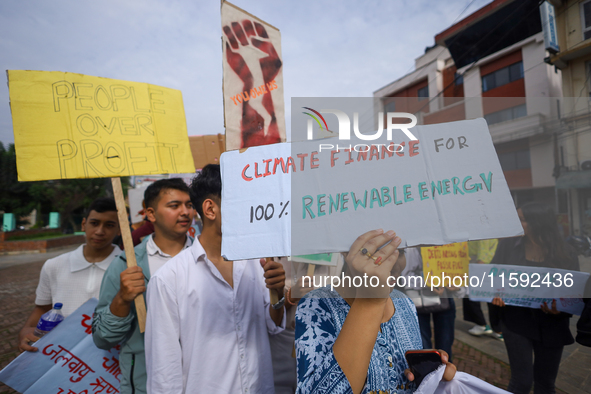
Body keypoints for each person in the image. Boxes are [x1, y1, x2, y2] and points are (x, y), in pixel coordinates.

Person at [145, 164, 287, 393]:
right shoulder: (168, 279)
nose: (254, 212)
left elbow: (272, 325)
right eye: (243, 203)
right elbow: (164, 370)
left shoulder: (256, 262)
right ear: (210, 209)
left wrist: (277, 292)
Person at [295, 230, 456, 394]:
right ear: (345, 251)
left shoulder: (404, 302)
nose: (393, 262)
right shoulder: (316, 304)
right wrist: (370, 300)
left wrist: (428, 376)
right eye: (377, 251)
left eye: (400, 252)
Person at [92, 178, 194, 394]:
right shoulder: (125, 265)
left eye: (189, 204)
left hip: (203, 378)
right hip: (146, 380)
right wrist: (122, 299)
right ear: (151, 214)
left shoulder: (208, 260)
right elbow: (103, 337)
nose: (185, 212)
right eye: (174, 206)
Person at [491, 202, 579, 394]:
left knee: (545, 383)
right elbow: (491, 277)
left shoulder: (566, 253)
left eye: (521, 220)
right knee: (521, 381)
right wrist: (496, 294)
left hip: (552, 325)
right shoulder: (507, 245)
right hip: (515, 321)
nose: (516, 223)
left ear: (538, 223)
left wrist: (560, 308)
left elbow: (573, 295)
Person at [18, 197, 121, 352]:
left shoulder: (130, 268)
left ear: (119, 230)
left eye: (109, 225)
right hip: (62, 356)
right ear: (83, 224)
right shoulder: (54, 265)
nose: (100, 231)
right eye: (94, 223)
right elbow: (42, 308)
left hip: (109, 359)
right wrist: (26, 330)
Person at [402, 247, 457, 362]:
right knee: (423, 345)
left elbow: (456, 271)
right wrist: (428, 283)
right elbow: (405, 277)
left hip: (445, 300)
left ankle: (445, 374)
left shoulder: (449, 246)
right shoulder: (412, 249)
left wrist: (456, 284)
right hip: (420, 302)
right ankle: (428, 374)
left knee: (445, 345)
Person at [464, 239, 502, 340]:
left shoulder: (482, 229)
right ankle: (497, 329)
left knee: (471, 295)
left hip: (479, 264)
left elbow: (483, 249)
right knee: (491, 297)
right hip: (488, 264)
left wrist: (479, 268)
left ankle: (481, 324)